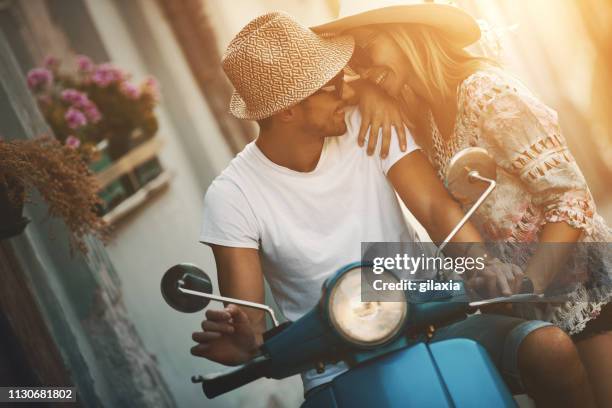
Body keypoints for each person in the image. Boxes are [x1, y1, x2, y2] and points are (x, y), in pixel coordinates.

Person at [192, 11, 596, 406]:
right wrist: (244, 343)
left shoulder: (366, 122)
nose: (348, 89)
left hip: (431, 320)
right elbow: (249, 324)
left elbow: (436, 209)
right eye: (332, 85)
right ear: (288, 108)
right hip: (332, 364)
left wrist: (482, 267)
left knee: (549, 348)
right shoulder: (232, 195)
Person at [312, 1, 612, 405]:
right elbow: (326, 93)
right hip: (527, 310)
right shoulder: (426, 111)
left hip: (586, 295)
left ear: (407, 34)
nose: (363, 68)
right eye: (356, 60)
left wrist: (532, 284)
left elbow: (571, 197)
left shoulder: (485, 91)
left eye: (368, 49)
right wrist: (367, 88)